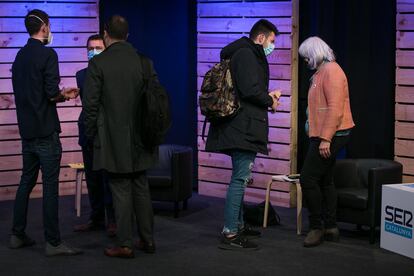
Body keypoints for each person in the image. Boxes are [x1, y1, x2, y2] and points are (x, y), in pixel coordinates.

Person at [9, 9, 83, 256]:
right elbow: (51, 93)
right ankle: (53, 242)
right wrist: (65, 94)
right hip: (46, 132)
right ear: (45, 27)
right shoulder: (48, 54)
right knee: (50, 186)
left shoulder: (19, 57)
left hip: (27, 132)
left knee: (25, 182)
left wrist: (57, 94)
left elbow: (32, 93)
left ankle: (17, 234)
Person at [84, 15, 158, 258]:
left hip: (112, 138)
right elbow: (155, 101)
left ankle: (125, 244)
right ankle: (147, 240)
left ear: (106, 33)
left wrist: (89, 134)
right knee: (141, 186)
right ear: (127, 35)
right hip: (142, 136)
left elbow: (91, 106)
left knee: (120, 189)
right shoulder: (144, 62)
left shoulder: (98, 64)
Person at [205, 19, 281, 250]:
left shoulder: (241, 53)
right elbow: (249, 90)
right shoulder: (247, 55)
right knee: (240, 178)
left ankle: (237, 223)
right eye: (272, 41)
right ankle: (230, 232)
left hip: (238, 126)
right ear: (260, 38)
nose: (272, 46)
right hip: (242, 127)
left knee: (239, 177)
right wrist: (270, 99)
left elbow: (245, 88)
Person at [298, 36, 355, 247]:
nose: (305, 61)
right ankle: (331, 227)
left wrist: (325, 140)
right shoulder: (320, 73)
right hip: (324, 133)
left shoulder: (332, 71)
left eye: (306, 57)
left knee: (308, 178)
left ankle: (316, 227)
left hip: (332, 134)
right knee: (326, 180)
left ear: (314, 53)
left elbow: (335, 109)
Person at [73, 34, 116, 237]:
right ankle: (96, 218)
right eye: (91, 48)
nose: (94, 51)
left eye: (98, 47)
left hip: (106, 130)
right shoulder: (81, 74)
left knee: (108, 176)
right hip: (87, 130)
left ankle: (113, 219)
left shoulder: (111, 72)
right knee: (92, 177)